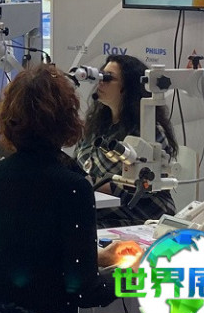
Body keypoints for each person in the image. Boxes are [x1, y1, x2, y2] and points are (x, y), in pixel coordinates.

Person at [0, 64, 141, 313]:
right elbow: (86, 292)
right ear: (66, 117)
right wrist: (137, 278)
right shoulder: (71, 186)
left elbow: (29, 256)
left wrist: (98, 257)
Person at [75, 54, 178, 228]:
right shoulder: (97, 126)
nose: (100, 82)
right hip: (99, 212)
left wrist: (88, 183)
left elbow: (141, 188)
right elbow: (78, 166)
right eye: (100, 75)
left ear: (128, 87)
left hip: (140, 218)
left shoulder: (148, 132)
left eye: (108, 78)